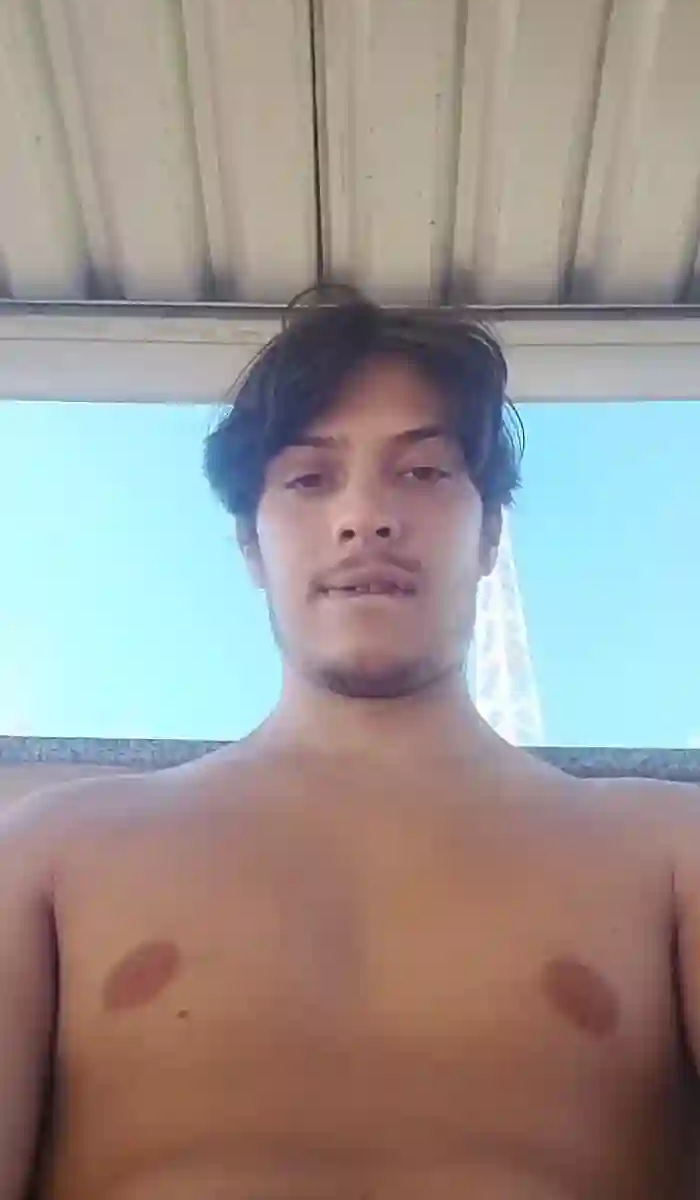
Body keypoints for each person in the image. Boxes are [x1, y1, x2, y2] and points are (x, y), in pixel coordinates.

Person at [2, 288, 700, 1200]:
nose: (365, 516)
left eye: (423, 472)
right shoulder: (48, 855)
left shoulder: (670, 855)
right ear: (250, 544)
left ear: (490, 533)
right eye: (308, 479)